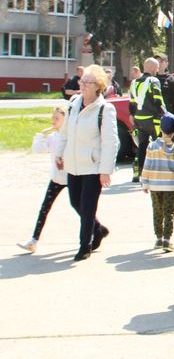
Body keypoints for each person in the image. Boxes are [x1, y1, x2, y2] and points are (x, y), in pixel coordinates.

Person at [54, 65, 119, 261]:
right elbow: (65, 133)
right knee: (75, 202)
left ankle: (85, 245)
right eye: (82, 81)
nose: (81, 85)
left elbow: (111, 142)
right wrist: (59, 153)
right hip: (73, 164)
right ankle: (97, 229)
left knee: (88, 206)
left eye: (86, 82)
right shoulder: (73, 103)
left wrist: (105, 170)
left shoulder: (105, 109)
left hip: (93, 166)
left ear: (98, 85)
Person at [17, 105, 70, 252]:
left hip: (72, 177)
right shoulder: (53, 137)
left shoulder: (71, 137)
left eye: (57, 118)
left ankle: (97, 229)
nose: (53, 120)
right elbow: (38, 149)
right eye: (52, 117)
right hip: (56, 178)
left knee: (80, 207)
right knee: (45, 207)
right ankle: (33, 240)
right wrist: (40, 136)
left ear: (65, 120)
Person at [141, 113, 174, 252]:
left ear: (160, 129)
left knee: (157, 211)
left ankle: (158, 238)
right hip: (170, 185)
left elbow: (147, 165)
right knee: (169, 212)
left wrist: (145, 183)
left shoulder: (152, 146)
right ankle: (167, 240)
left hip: (154, 184)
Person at [131, 57, 168, 183]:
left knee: (142, 146)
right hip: (153, 120)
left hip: (139, 120)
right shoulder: (154, 81)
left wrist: (133, 115)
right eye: (157, 67)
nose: (158, 70)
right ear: (153, 68)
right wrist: (166, 115)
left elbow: (131, 103)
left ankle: (138, 173)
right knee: (159, 145)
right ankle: (158, 173)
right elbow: (158, 100)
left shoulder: (134, 82)